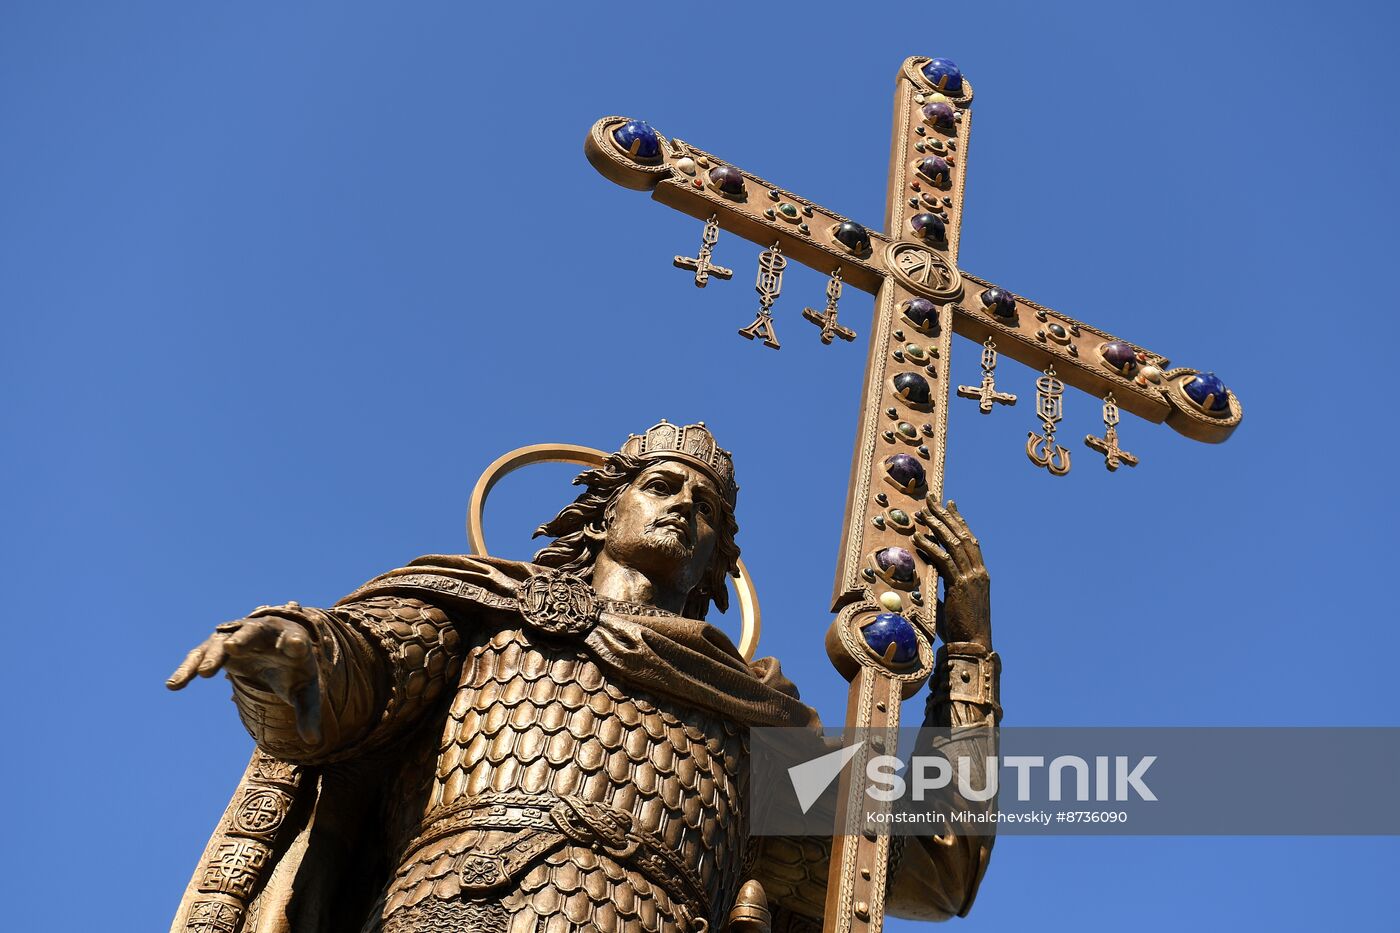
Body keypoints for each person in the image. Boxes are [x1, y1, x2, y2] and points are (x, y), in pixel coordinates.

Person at [167, 421, 1000, 933]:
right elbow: (356, 683)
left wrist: (967, 649)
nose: (684, 506)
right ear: (609, 509)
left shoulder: (753, 726)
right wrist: (292, 648)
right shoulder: (486, 614)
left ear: (718, 563)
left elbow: (936, 866)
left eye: (707, 509)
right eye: (662, 486)